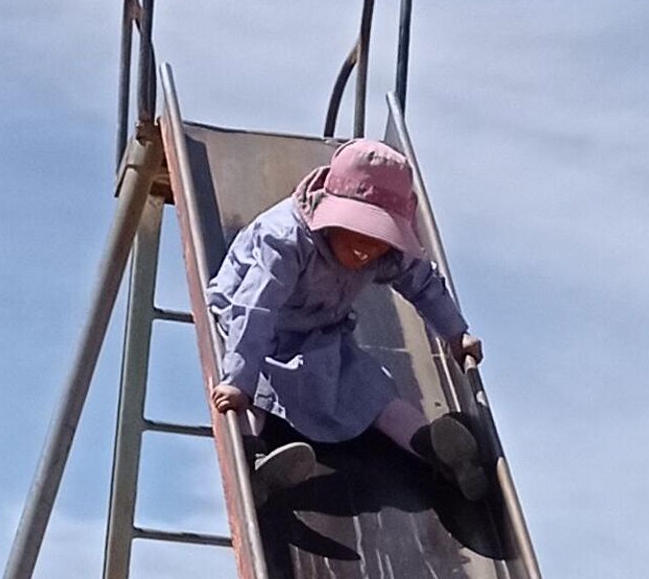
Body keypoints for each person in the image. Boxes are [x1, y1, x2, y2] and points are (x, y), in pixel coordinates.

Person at [207, 138, 490, 508]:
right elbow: (255, 308)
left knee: (365, 386)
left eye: (376, 242)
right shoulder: (286, 240)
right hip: (256, 323)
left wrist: (455, 333)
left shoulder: (384, 251)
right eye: (354, 237)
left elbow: (422, 282)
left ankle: (436, 449)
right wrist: (237, 380)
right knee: (257, 387)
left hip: (318, 330)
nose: (363, 251)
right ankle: (252, 463)